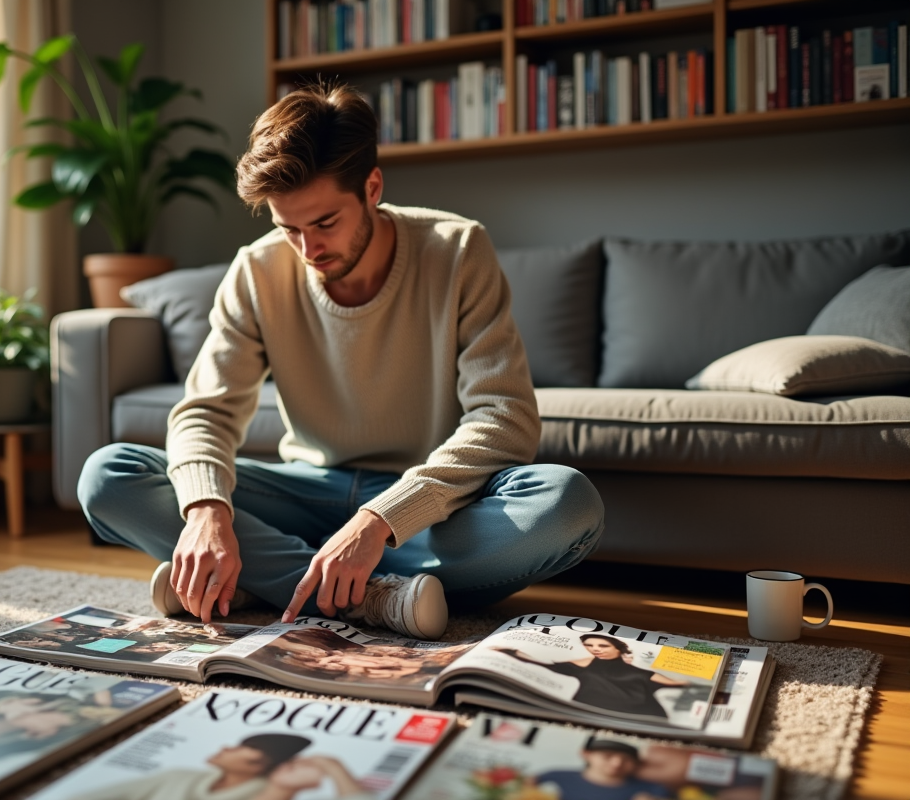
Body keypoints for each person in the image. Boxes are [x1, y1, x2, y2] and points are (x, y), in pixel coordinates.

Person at [78, 82, 605, 640]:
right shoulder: (256, 271)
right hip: (307, 490)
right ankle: (372, 597)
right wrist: (207, 511)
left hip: (424, 508)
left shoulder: (457, 250)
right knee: (109, 475)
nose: (308, 249)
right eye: (288, 229)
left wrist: (380, 521)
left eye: (325, 222)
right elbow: (204, 413)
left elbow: (505, 419)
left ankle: (261, 583)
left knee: (567, 504)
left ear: (372, 187)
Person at [64, 734, 375, 800]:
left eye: (240, 746)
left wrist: (335, 768)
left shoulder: (271, 792)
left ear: (258, 761)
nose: (224, 746)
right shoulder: (179, 778)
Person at [498, 634, 689, 719]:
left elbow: (678, 684)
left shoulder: (638, 670)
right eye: (590, 645)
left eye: (602, 646)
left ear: (618, 648)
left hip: (642, 715)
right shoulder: (584, 662)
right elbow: (542, 663)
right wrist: (510, 650)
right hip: (589, 709)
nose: (595, 649)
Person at [535, 739, 672, 800]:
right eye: (608, 756)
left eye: (626, 759)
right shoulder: (554, 777)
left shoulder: (652, 789)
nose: (617, 763)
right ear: (586, 755)